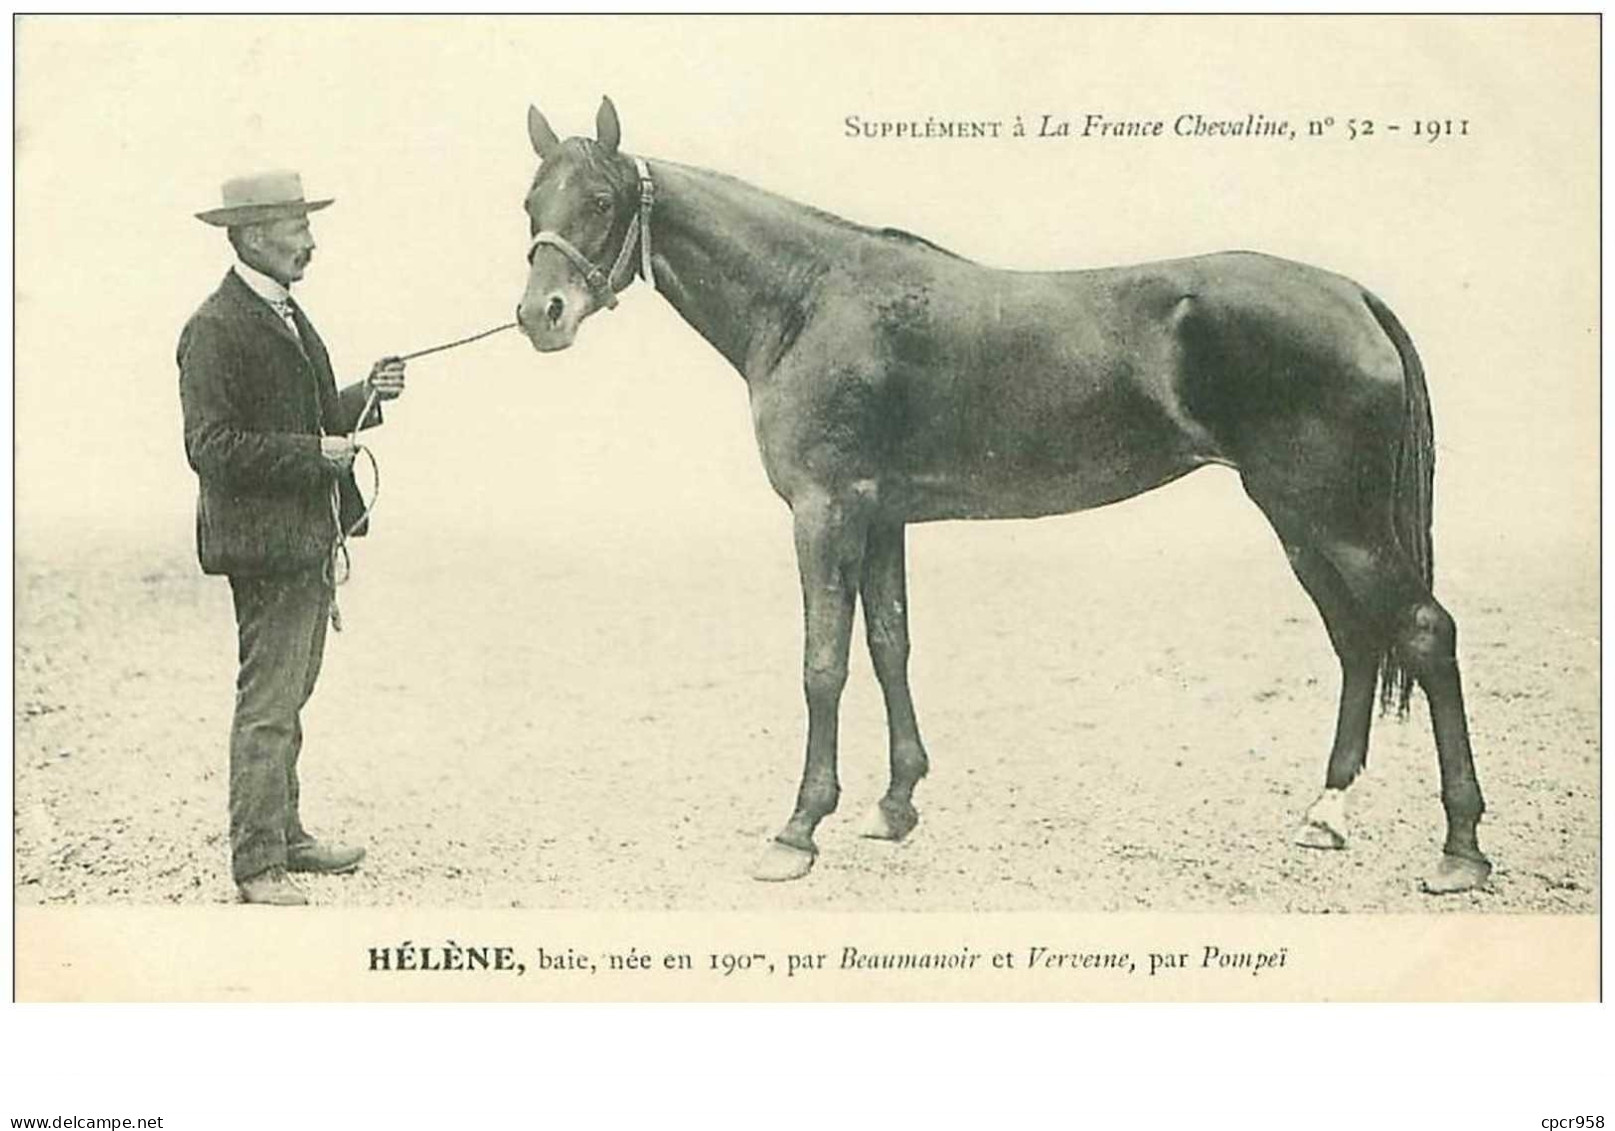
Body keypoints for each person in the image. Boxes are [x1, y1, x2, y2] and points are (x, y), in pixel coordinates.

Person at [178, 170, 407, 905]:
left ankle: (287, 836)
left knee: (292, 693)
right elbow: (211, 446)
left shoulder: (282, 312)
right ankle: (256, 866)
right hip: (265, 544)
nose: (310, 240)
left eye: (307, 225)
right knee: (270, 702)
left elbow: (303, 412)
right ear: (248, 236)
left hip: (303, 535)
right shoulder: (214, 327)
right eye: (295, 227)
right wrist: (315, 453)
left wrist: (367, 395)